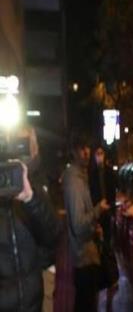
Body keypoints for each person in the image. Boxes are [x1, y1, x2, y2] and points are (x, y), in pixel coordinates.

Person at [0, 127, 60, 312]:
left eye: (25, 144)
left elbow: (54, 234)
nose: (21, 150)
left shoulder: (37, 184)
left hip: (34, 299)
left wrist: (30, 198)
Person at [63, 134, 110, 312]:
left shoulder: (81, 177)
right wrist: (97, 210)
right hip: (83, 257)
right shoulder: (74, 181)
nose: (87, 152)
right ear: (73, 152)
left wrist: (95, 227)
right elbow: (78, 224)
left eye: (88, 147)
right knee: (85, 305)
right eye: (82, 148)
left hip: (87, 256)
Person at [88, 145, 118, 310]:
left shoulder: (109, 172)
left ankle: (109, 278)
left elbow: (112, 191)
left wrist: (111, 209)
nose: (99, 156)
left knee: (108, 245)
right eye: (97, 153)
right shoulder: (91, 174)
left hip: (107, 214)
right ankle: (103, 278)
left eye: (101, 153)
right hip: (97, 214)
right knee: (99, 248)